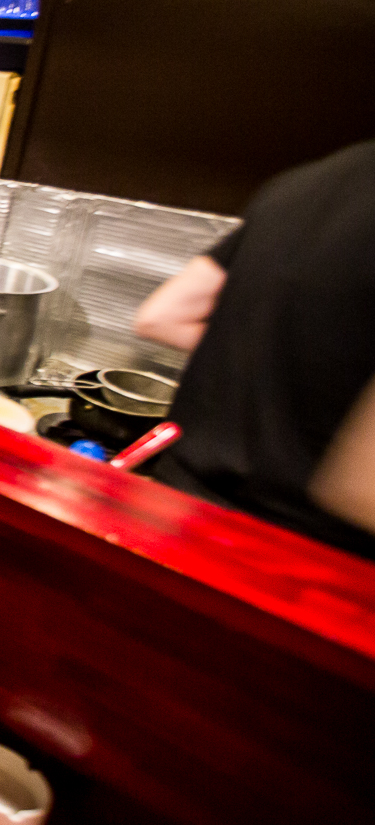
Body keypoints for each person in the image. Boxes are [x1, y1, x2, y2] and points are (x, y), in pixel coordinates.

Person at [134, 139, 375, 560]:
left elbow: (162, 316)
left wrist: (272, 357)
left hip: (174, 515)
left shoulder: (303, 183)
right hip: (298, 562)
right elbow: (362, 492)